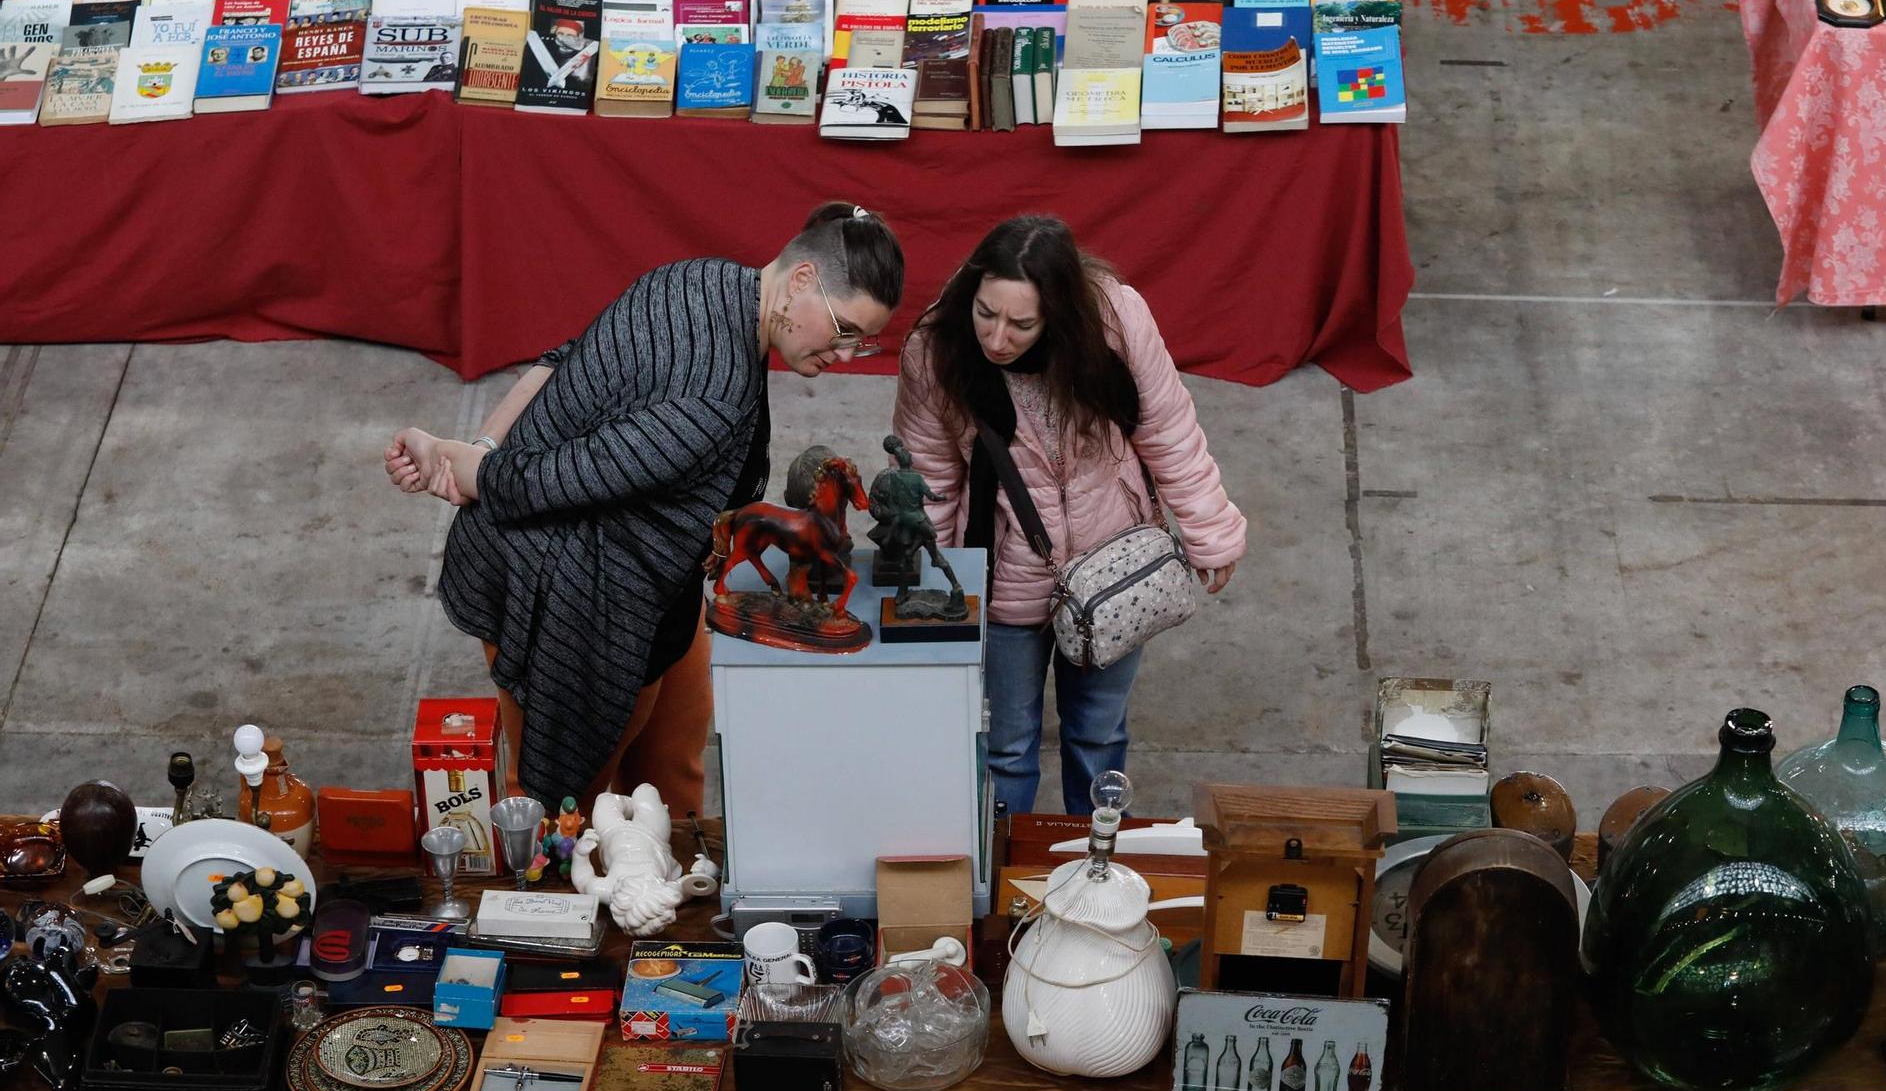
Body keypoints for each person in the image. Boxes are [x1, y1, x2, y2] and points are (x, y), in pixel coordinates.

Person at [385, 203, 904, 810]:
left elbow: (563, 359)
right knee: (566, 811)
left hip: (662, 588)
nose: (847, 355)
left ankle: (671, 858)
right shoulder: (711, 398)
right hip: (574, 601)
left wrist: (473, 450)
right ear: (802, 279)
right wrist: (467, 465)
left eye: (862, 341)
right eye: (844, 330)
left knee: (672, 781)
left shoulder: (701, 278)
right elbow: (554, 479)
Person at [893, 216, 1247, 816]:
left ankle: (1098, 861)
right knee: (1005, 748)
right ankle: (1004, 865)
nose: (997, 338)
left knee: (1099, 737)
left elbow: (1168, 428)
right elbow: (929, 479)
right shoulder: (936, 350)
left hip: (1114, 572)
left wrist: (1209, 529)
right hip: (1006, 579)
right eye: (986, 313)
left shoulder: (1116, 320)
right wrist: (934, 589)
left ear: (1058, 313)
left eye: (1021, 324)